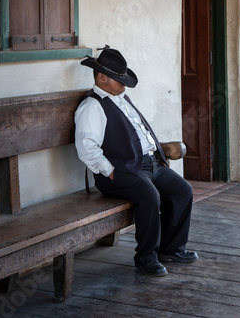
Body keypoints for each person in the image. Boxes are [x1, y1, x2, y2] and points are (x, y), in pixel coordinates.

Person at [75, 47, 198, 277]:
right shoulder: (92, 106)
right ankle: (146, 258)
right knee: (150, 196)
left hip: (149, 165)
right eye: (119, 79)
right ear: (101, 77)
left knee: (183, 191)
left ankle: (171, 249)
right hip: (119, 171)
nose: (123, 84)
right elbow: (87, 149)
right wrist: (109, 171)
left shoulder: (121, 98)